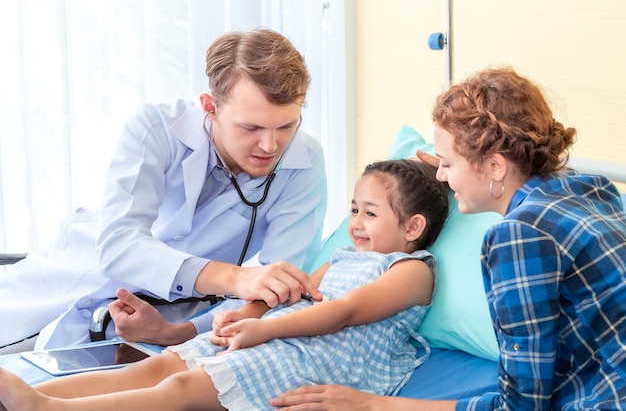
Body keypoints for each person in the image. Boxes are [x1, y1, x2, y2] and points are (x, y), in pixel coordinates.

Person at [270, 67, 626, 410]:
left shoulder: (517, 236)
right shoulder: (590, 189)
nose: (440, 173)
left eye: (447, 163)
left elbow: (518, 406)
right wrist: (444, 171)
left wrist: (373, 404)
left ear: (495, 167)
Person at [0, 159, 450, 411]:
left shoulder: (412, 271)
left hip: (324, 356)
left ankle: (45, 410)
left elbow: (344, 313)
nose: (355, 223)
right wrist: (245, 316)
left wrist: (265, 329)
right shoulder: (343, 257)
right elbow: (295, 295)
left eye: (370, 213)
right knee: (155, 368)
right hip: (279, 336)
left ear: (413, 227)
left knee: (179, 391)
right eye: (353, 209)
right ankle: (29, 397)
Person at [0, 28, 328, 352]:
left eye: (286, 126)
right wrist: (236, 278)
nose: (270, 146)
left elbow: (278, 290)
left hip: (166, 313)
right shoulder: (156, 128)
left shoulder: (306, 163)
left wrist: (176, 332)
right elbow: (120, 246)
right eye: (250, 127)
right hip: (68, 278)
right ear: (210, 108)